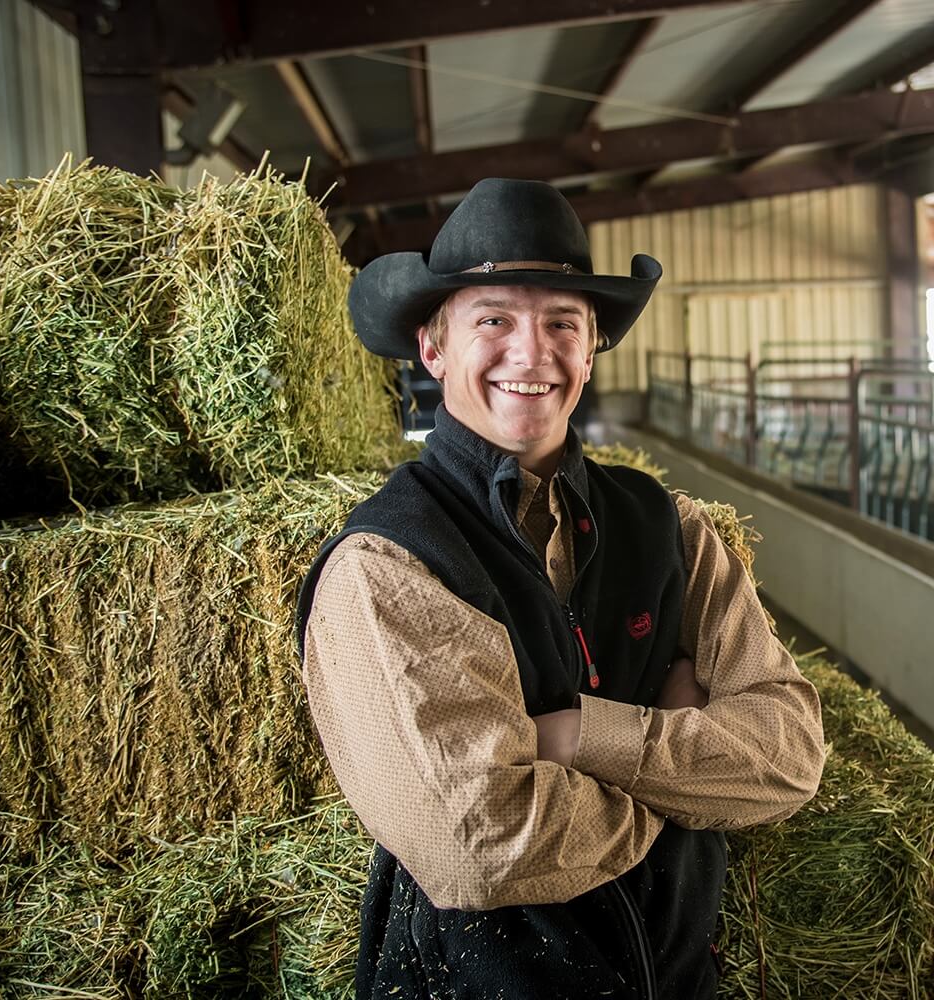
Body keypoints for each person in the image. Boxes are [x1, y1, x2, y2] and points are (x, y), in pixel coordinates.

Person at [297, 178, 825, 1000]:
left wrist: (575, 738)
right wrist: (689, 778)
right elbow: (480, 841)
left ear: (592, 347)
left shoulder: (673, 530)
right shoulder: (389, 563)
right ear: (433, 347)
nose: (531, 353)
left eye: (562, 324)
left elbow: (789, 755)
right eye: (494, 319)